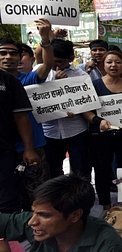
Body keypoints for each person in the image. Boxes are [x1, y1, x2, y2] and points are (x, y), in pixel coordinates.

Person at [0, 174, 122, 252]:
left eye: (44, 215)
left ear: (75, 215)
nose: (32, 222)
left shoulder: (108, 246)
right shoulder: (38, 226)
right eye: (33, 212)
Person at [83, 51, 122, 212]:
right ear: (103, 65)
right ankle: (106, 205)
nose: (113, 65)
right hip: (100, 136)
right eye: (109, 62)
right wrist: (98, 121)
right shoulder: (94, 85)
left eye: (117, 62)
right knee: (101, 170)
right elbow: (85, 111)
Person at [0, 38, 41, 213]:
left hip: (3, 150)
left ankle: (8, 236)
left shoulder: (10, 82)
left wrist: (29, 149)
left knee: (6, 197)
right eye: (2, 53)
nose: (7, 57)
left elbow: (21, 117)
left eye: (12, 53)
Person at [43, 39, 90, 179]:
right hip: (49, 132)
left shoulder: (81, 76)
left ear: (71, 58)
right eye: (53, 61)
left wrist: (77, 109)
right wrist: (55, 84)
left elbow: (88, 102)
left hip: (76, 131)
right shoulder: (40, 73)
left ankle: (80, 199)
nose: (56, 66)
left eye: (60, 62)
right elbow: (37, 100)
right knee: (52, 171)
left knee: (80, 171)